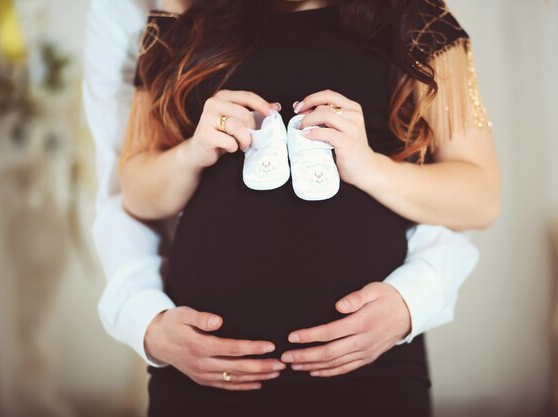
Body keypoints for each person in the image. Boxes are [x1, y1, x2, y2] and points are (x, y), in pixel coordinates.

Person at [82, 0, 498, 415]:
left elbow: (481, 197)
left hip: (368, 372)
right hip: (203, 376)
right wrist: (193, 152)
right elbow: (136, 194)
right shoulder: (181, 27)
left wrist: (370, 167)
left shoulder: (417, 22)